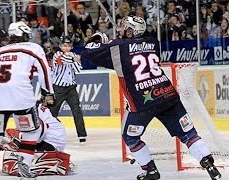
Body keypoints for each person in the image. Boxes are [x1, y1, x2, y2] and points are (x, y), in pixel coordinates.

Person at [81, 16, 221, 180]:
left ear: (130, 31)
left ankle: (150, 171)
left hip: (142, 102)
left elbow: (88, 52)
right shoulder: (154, 43)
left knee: (130, 136)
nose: (120, 30)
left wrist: (98, 40)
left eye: (123, 27)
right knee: (189, 134)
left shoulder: (118, 47)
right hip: (167, 95)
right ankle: (209, 164)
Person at [0, 21, 55, 180]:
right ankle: (24, 165)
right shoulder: (32, 48)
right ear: (24, 34)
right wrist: (48, 92)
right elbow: (44, 69)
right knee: (31, 131)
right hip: (21, 98)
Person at [0, 101, 73, 176]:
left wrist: (18, 141)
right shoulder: (32, 107)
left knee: (14, 136)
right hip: (54, 141)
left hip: (51, 143)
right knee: (17, 137)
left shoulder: (30, 110)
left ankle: (39, 160)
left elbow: (39, 132)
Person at [49, 35, 87, 144]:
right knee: (53, 112)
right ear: (60, 46)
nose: (67, 48)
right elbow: (64, 60)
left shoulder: (73, 55)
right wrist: (74, 59)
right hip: (58, 88)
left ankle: (82, 135)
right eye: (65, 45)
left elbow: (78, 69)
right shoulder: (57, 55)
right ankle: (48, 132)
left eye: (69, 46)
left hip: (71, 88)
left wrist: (74, 59)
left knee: (77, 111)